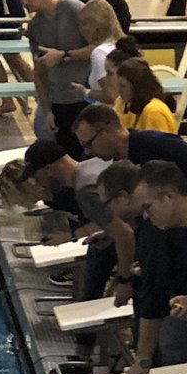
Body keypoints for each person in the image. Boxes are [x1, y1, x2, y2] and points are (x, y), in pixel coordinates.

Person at [16, 139, 134, 362]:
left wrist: (125, 279)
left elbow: (125, 233)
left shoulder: (84, 188)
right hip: (144, 231)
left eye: (36, 174)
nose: (37, 181)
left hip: (149, 239)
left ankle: (87, 355)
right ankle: (85, 351)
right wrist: (106, 233)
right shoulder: (91, 165)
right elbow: (119, 222)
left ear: (49, 169)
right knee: (96, 258)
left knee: (97, 275)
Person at [96, 159, 187, 374]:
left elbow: (155, 291)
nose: (146, 217)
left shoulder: (163, 233)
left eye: (147, 207)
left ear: (168, 197)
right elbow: (156, 289)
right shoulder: (169, 231)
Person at [14, 0, 91, 159]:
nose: (25, 3)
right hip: (59, 102)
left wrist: (65, 55)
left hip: (86, 98)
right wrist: (47, 109)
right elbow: (39, 73)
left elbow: (99, 48)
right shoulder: (35, 27)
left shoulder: (75, 9)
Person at [69, 0, 123, 99]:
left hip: (107, 112)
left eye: (84, 24)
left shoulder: (100, 53)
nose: (81, 29)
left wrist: (84, 92)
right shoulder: (122, 45)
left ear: (97, 25)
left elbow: (111, 96)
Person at [114, 56, 177, 133]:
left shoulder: (154, 112)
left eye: (123, 86)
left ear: (137, 87)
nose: (118, 90)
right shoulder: (133, 107)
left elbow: (158, 143)